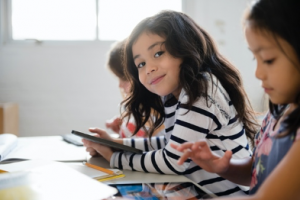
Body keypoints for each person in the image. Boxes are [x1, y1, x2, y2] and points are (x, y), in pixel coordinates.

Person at [83, 10, 259, 196]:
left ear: (185, 48)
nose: (149, 68)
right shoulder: (175, 95)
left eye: (158, 53)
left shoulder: (201, 88)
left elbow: (174, 161)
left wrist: (114, 158)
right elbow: (171, 144)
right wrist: (116, 143)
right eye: (141, 64)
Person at [171, 0, 300, 199]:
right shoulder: (277, 113)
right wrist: (221, 166)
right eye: (254, 58)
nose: (257, 72)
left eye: (268, 59)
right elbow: (257, 170)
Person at [105, 39, 165, 138]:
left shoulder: (155, 120)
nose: (119, 85)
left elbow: (138, 148)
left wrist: (111, 145)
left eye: (123, 78)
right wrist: (122, 128)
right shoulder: (140, 113)